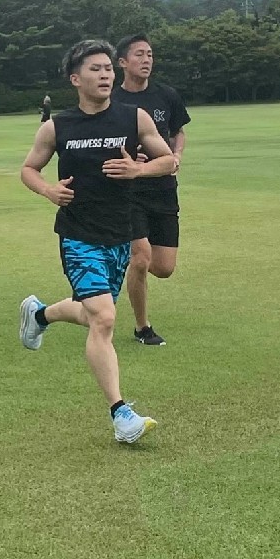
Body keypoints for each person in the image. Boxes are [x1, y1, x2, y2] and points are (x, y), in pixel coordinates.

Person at [19, 39, 175, 443]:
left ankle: (40, 315)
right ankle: (121, 414)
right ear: (76, 79)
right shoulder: (57, 127)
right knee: (104, 317)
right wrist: (48, 190)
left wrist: (138, 170)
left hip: (120, 233)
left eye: (108, 68)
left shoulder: (134, 118)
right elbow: (29, 169)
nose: (105, 75)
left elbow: (169, 160)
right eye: (96, 69)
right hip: (77, 235)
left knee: (93, 315)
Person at [113, 34, 191, 346]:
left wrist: (176, 155)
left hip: (163, 189)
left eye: (150, 54)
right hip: (128, 192)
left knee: (163, 267)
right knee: (141, 258)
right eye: (139, 54)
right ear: (122, 62)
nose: (146, 60)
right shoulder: (113, 100)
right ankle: (142, 327)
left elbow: (178, 131)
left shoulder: (166, 95)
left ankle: (123, 255)